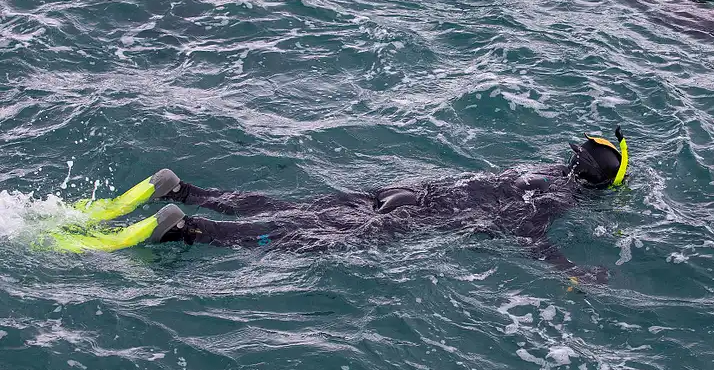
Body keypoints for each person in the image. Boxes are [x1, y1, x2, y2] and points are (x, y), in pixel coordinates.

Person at [43, 128, 629, 279]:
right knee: (301, 238)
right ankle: (187, 229)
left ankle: (187, 192)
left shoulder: (536, 171)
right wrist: (569, 269)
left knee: (296, 206)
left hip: (405, 195)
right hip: (411, 218)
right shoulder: (549, 201)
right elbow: (528, 237)